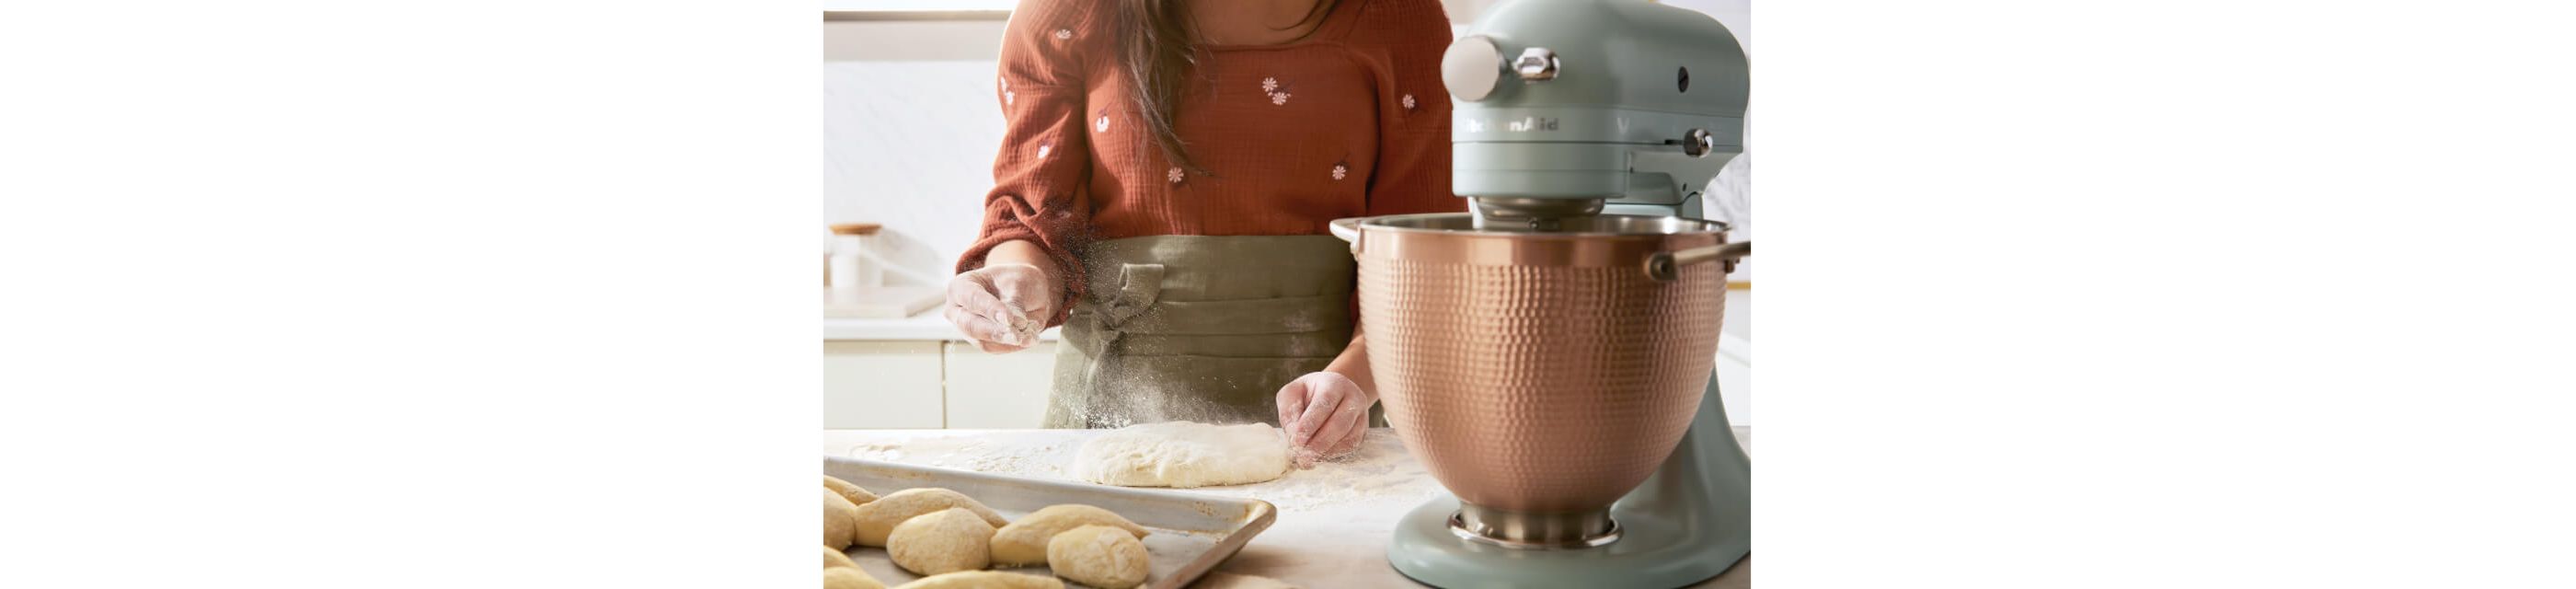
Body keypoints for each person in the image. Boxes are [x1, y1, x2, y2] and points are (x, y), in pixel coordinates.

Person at [942, 0, 1461, 467]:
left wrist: (1354, 380)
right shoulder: (1065, 14)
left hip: (1323, 416)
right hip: (1108, 419)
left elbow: (1420, 254)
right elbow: (1034, 215)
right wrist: (1020, 281)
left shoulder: (1400, 15)